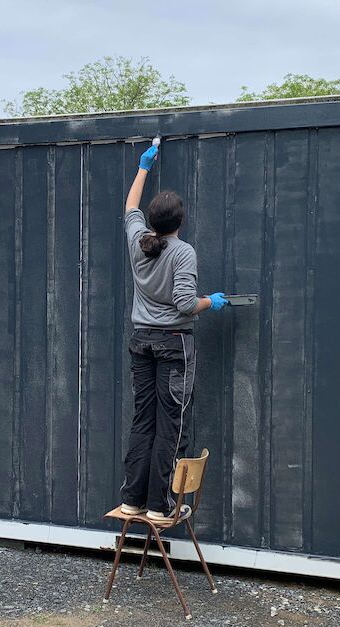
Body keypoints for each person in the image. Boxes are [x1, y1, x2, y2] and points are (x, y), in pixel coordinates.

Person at [119, 144, 227, 523]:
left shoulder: (138, 241)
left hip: (141, 341)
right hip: (173, 344)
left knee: (143, 419)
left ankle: (133, 499)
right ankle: (161, 504)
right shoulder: (183, 252)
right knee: (172, 422)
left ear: (153, 220)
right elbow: (184, 304)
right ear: (180, 221)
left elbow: (130, 207)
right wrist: (210, 302)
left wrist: (142, 167)